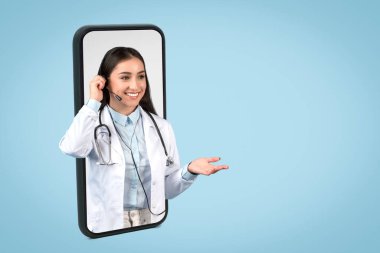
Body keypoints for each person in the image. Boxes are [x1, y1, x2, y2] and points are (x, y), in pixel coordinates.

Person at [59, 47, 229, 233]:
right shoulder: (92, 122)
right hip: (107, 223)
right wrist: (93, 103)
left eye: (141, 76)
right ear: (105, 82)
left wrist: (189, 170)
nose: (136, 86)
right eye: (125, 77)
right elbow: (72, 148)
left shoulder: (161, 127)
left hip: (150, 221)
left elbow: (167, 191)